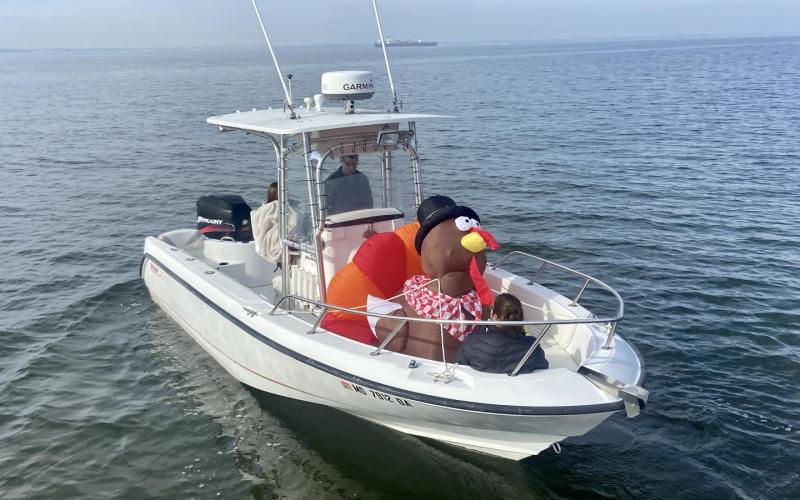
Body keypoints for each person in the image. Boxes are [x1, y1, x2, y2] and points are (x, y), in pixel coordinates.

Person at [456, 293, 549, 374]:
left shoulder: (472, 342)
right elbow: (543, 366)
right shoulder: (532, 346)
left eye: (491, 308)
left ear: (494, 316)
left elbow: (461, 367)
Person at [250, 182, 298, 263]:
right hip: (277, 241)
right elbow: (294, 224)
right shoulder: (280, 207)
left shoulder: (263, 207)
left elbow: (258, 222)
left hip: (262, 244)